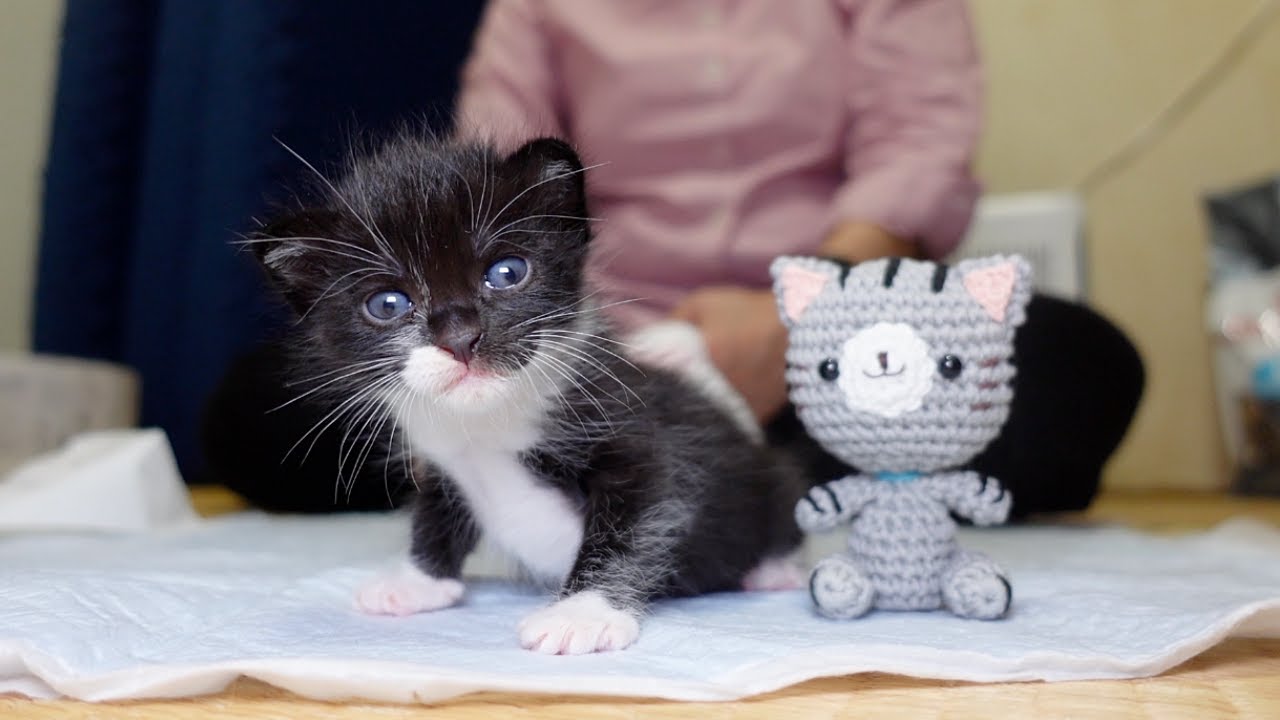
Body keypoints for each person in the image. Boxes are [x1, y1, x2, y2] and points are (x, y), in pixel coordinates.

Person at [203, 0, 1144, 518]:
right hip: (584, 341)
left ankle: (669, 480)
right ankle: (719, 474)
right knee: (250, 410)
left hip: (834, 319)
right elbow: (484, 191)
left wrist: (798, 321)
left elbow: (917, 147)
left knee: (1081, 366)